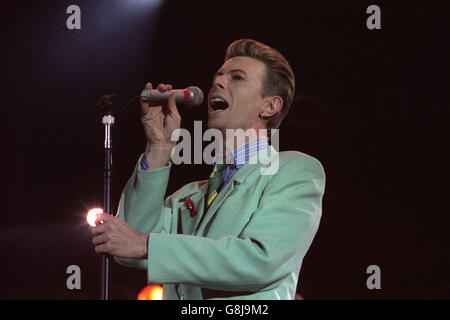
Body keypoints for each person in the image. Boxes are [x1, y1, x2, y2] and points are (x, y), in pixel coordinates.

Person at [90, 39, 325, 300]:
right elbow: (126, 245)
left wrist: (147, 245)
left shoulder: (294, 170)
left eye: (237, 77)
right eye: (218, 76)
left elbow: (261, 260)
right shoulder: (190, 194)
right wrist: (159, 146)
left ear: (269, 106)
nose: (218, 82)